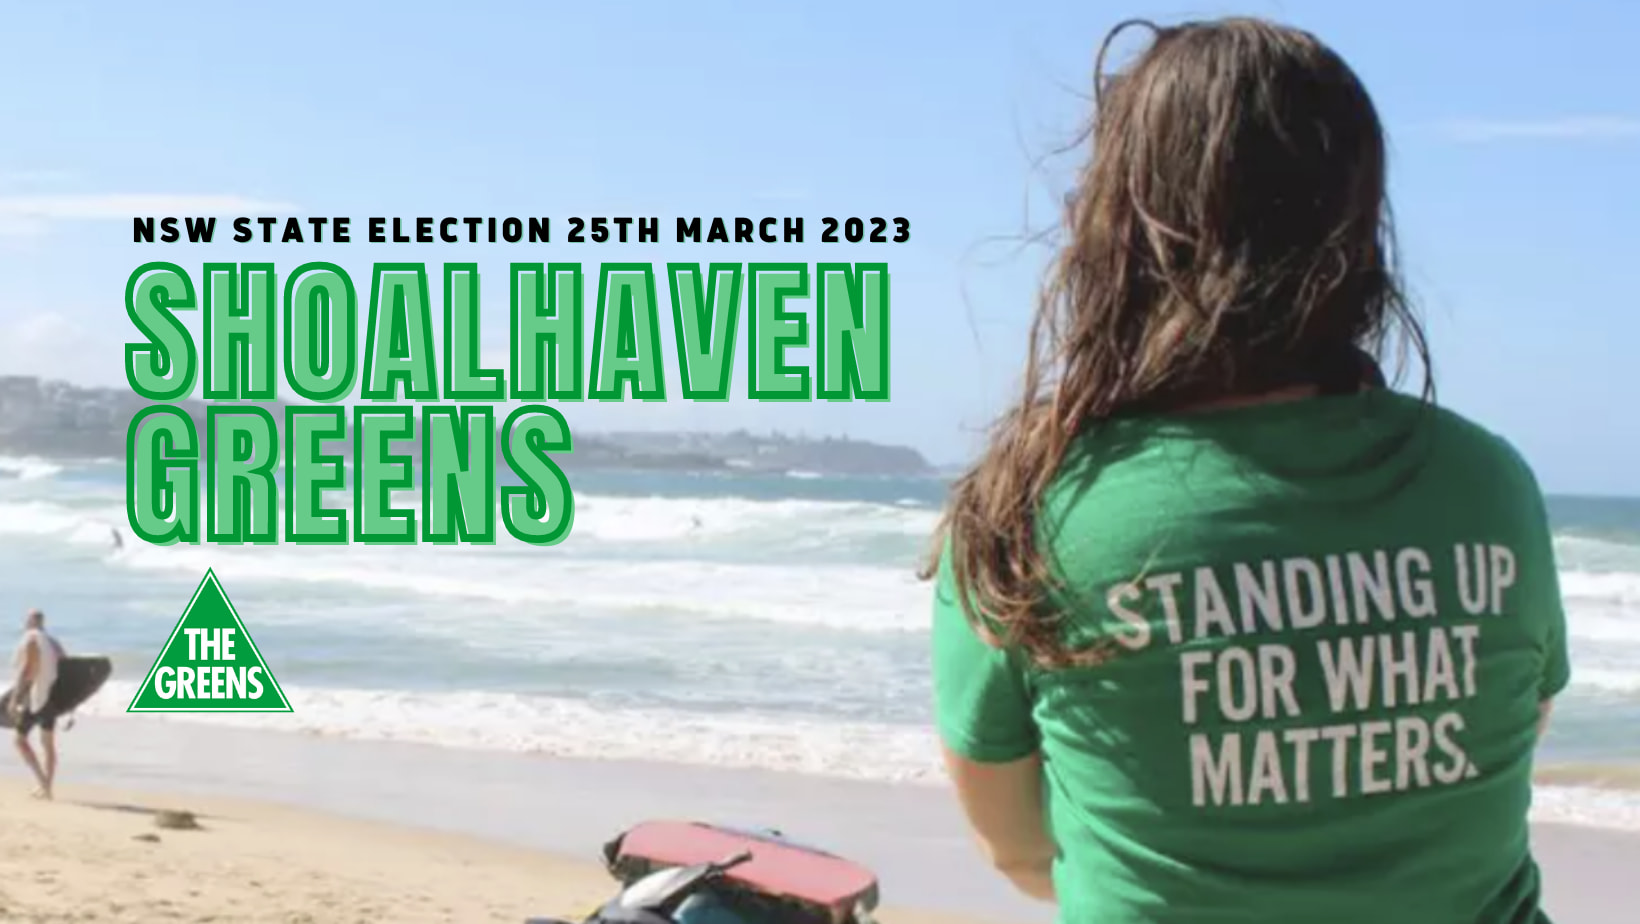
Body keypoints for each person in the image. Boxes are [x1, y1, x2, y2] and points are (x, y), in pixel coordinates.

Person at [926, 16, 1569, 924]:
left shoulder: (1026, 512)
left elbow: (1023, 852)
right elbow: (1504, 748)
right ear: (1356, 219)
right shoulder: (1490, 486)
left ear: (1117, 223)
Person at [10, 608, 66, 800]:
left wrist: (15, 697)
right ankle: (47, 787)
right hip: (52, 698)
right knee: (48, 744)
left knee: (19, 740)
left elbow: (29, 669)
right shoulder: (53, 643)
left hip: (35, 697)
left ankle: (44, 784)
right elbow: (65, 667)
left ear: (30, 621)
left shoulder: (32, 639)